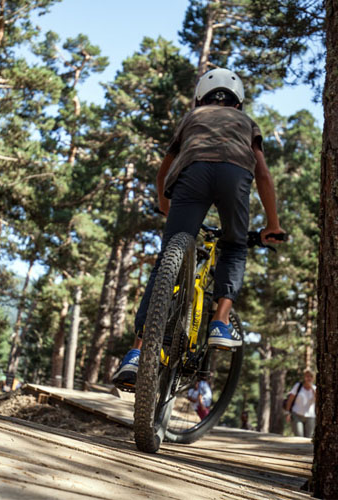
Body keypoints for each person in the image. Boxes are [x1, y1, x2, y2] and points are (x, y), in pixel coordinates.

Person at [112, 67, 285, 390]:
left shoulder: (193, 117)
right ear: (238, 102)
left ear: (200, 98)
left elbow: (164, 170)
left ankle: (135, 354)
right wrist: (272, 224)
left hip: (190, 176)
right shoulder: (247, 123)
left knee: (167, 259)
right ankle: (219, 323)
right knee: (233, 244)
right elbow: (262, 174)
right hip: (235, 176)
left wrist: (166, 207)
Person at [285, 369, 316, 438]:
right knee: (299, 437)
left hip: (310, 417)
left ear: (313, 378)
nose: (309, 378)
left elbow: (317, 400)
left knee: (309, 438)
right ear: (304, 377)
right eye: (307, 376)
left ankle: (307, 449)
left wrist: (312, 389)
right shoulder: (298, 386)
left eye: (311, 376)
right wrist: (287, 412)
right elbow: (290, 399)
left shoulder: (315, 389)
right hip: (297, 415)